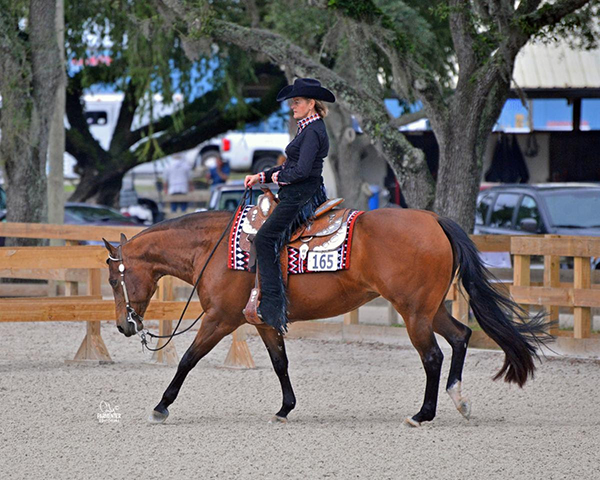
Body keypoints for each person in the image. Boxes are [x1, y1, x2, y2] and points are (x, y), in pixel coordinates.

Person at [244, 78, 335, 333]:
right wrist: (260, 177)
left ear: (311, 104)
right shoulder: (307, 128)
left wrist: (276, 178)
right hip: (298, 191)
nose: (292, 106)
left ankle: (272, 307)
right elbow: (289, 166)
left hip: (302, 195)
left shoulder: (314, 130)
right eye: (292, 102)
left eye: (297, 102)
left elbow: (302, 170)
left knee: (264, 239)